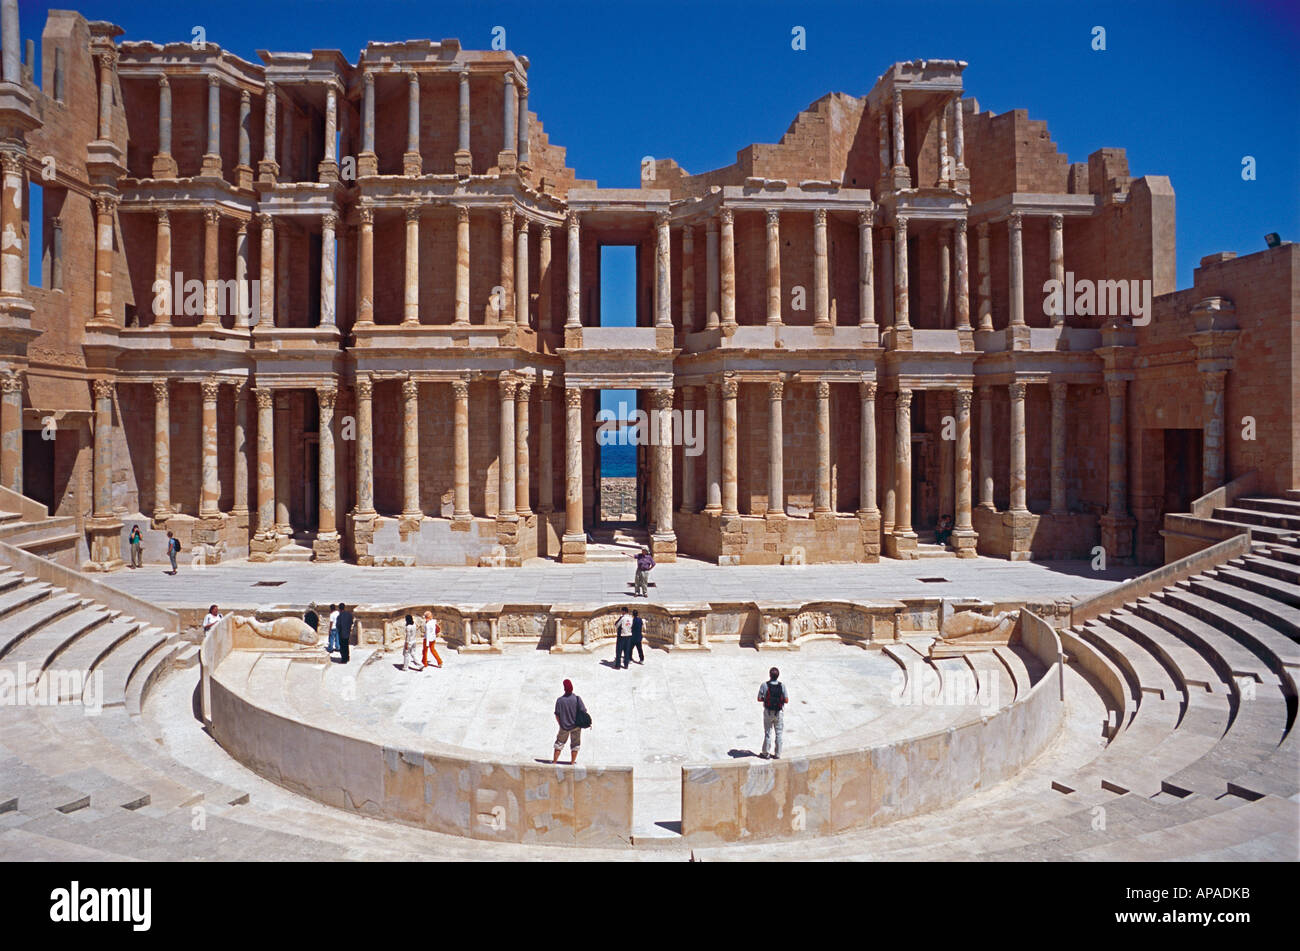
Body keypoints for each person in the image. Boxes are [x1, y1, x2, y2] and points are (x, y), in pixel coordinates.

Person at [552, 679, 590, 764]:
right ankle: (572, 762)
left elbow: (557, 714)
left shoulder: (560, 700)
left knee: (559, 744)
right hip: (576, 726)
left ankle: (554, 762)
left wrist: (561, 724)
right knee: (575, 745)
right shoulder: (577, 698)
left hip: (564, 726)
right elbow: (583, 710)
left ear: (564, 688)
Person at [758, 667, 788, 760]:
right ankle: (778, 754)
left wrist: (766, 700)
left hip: (768, 712)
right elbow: (786, 700)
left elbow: (759, 698)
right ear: (778, 676)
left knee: (768, 733)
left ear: (770, 675)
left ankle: (765, 753)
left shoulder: (764, 685)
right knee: (779, 733)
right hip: (778, 713)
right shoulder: (782, 685)